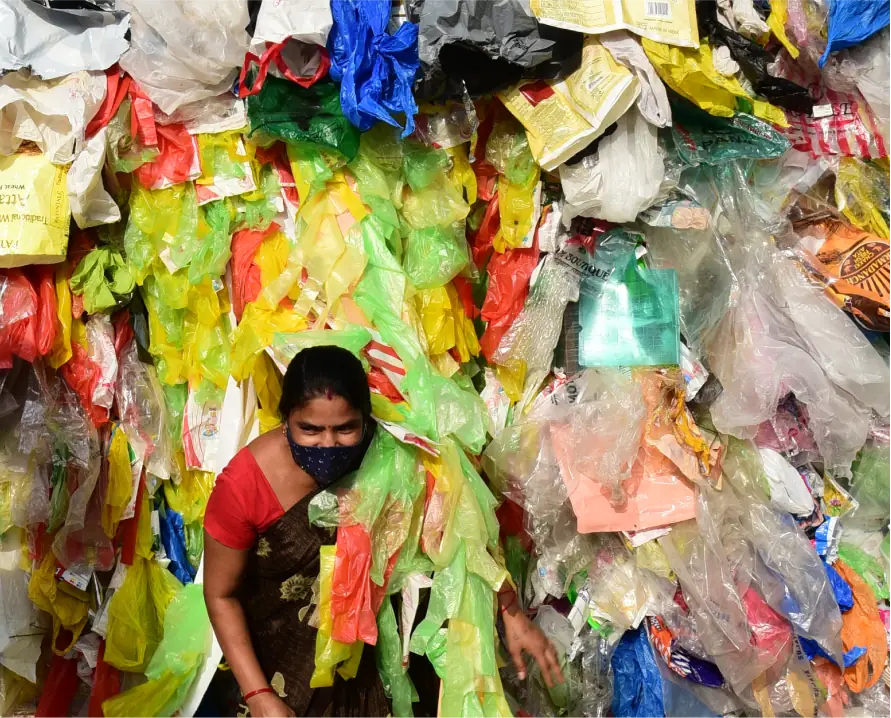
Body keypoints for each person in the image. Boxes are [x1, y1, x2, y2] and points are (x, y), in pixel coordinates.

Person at [203, 345, 563, 718]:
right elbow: (220, 594)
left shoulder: (394, 457)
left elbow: (459, 529)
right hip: (280, 674)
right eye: (309, 429)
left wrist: (511, 610)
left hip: (375, 673)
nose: (328, 444)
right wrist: (259, 693)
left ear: (367, 420)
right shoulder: (246, 483)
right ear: (285, 420)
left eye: (345, 428)